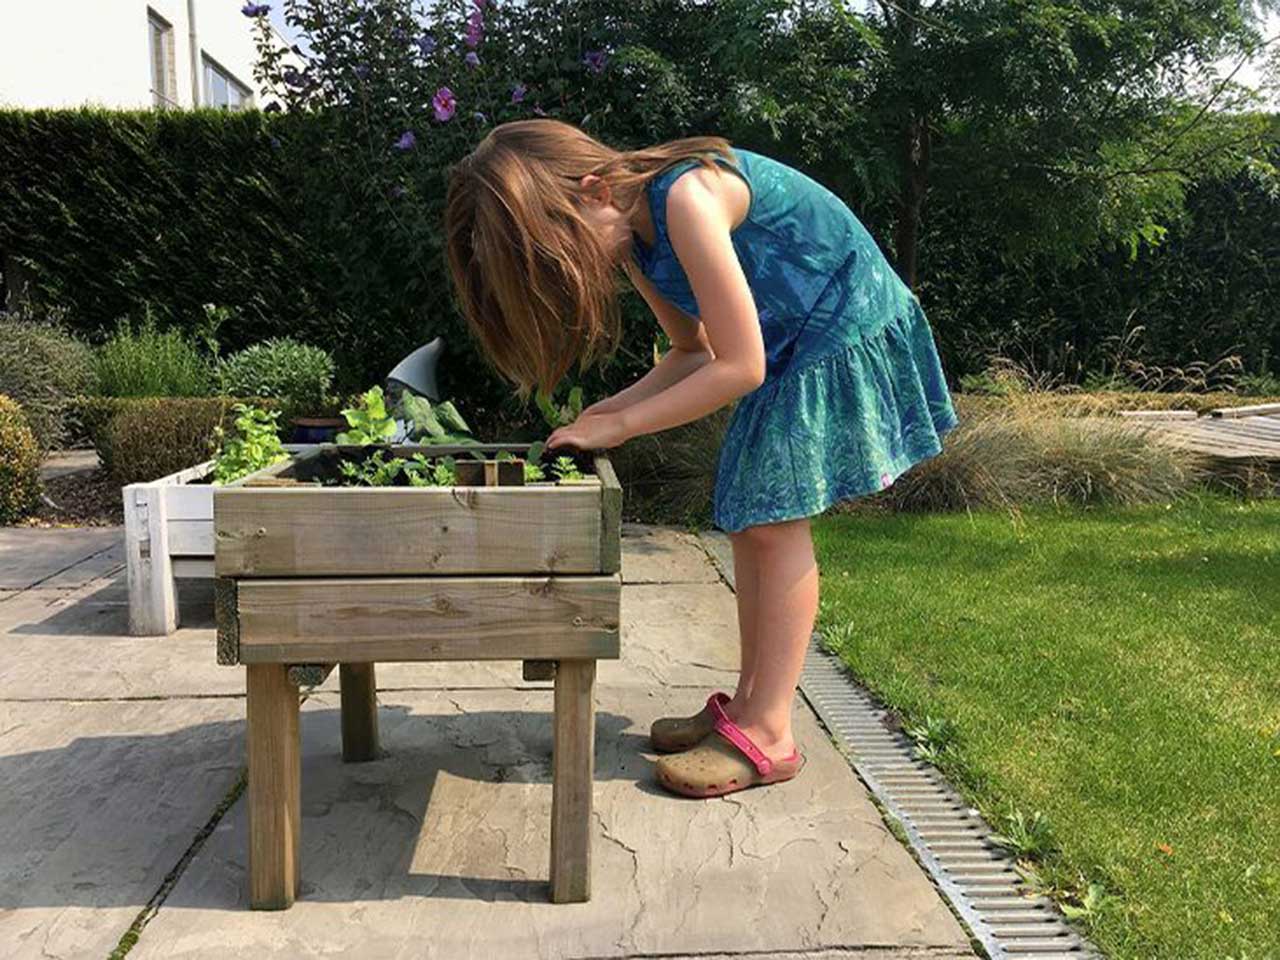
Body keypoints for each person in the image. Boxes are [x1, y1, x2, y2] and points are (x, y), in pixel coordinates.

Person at [444, 119, 958, 799]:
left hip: (840, 328)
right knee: (749, 518)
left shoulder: (686, 198)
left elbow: (740, 366)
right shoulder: (633, 237)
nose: (580, 271)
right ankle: (748, 706)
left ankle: (770, 731)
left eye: (563, 248)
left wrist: (624, 424)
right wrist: (603, 416)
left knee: (775, 524)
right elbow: (694, 352)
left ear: (594, 190)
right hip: (788, 345)